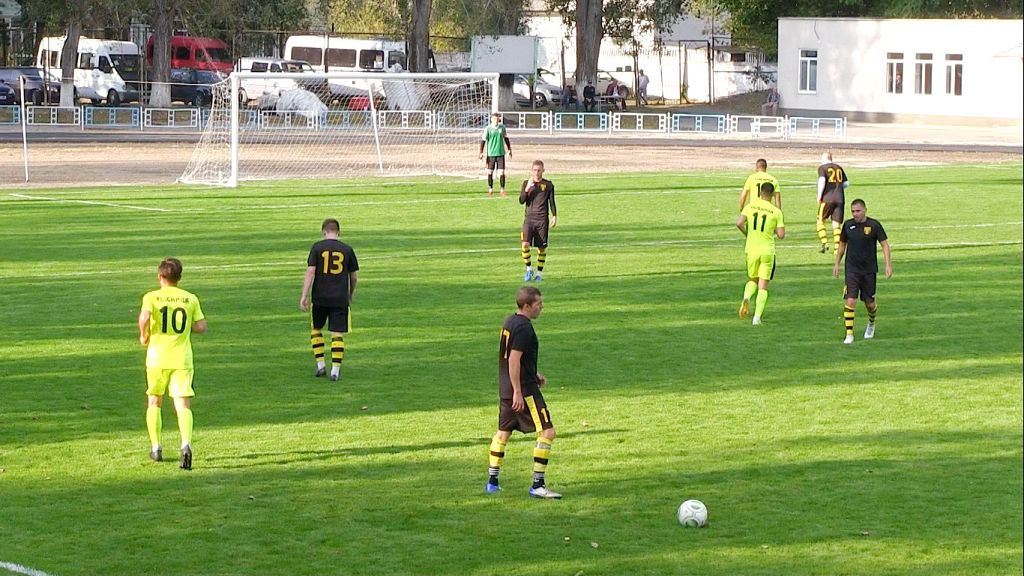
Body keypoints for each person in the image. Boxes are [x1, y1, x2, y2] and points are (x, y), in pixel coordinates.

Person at [485, 285, 561, 499]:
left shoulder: (510, 321)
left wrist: (534, 373)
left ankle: (492, 482)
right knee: (547, 432)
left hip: (506, 389)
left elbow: (513, 357)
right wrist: (518, 391)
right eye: (538, 304)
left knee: (503, 433)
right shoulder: (524, 328)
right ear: (527, 306)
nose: (542, 307)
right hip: (524, 391)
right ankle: (538, 484)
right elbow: (514, 360)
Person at [138, 257, 207, 470]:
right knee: (182, 404)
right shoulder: (189, 298)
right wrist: (186, 328)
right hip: (182, 359)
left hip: (157, 358)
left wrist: (144, 335)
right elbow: (202, 326)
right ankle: (185, 444)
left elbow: (144, 318)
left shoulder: (151, 297)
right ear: (180, 277)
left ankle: (156, 447)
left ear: (160, 276)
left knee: (154, 401)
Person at [300, 218, 359, 381]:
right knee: (337, 333)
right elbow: (354, 276)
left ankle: (320, 365)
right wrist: (350, 293)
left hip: (320, 297)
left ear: (323, 232)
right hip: (340, 298)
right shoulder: (347, 249)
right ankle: (335, 371)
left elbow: (310, 272)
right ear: (338, 232)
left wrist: (304, 295)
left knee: (316, 329)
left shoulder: (317, 248)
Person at [833, 199, 892, 345]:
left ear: (865, 210)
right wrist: (837, 264)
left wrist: (888, 265)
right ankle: (849, 334)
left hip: (869, 270)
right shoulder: (848, 225)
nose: (855, 214)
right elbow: (842, 245)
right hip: (852, 270)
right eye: (853, 211)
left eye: (858, 211)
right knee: (850, 300)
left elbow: (885, 245)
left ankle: (871, 323)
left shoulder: (874, 225)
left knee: (870, 304)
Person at [736, 182, 785, 326]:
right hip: (767, 251)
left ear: (760, 193)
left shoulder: (750, 206)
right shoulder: (776, 212)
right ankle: (756, 318)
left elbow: (739, 223)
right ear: (772, 194)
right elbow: (781, 235)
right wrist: (773, 228)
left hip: (751, 249)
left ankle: (746, 297)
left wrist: (748, 234)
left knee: (753, 279)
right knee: (763, 286)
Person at [520, 159, 557, 282]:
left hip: (542, 221)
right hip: (529, 220)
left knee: (541, 248)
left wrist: (554, 216)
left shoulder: (548, 185)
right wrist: (527, 189)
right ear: (531, 171)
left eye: (539, 170)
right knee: (525, 244)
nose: (536, 173)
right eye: (535, 170)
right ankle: (529, 269)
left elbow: (552, 202)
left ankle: (539, 274)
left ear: (543, 171)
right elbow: (521, 200)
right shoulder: (526, 183)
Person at [816, 151, 850, 254]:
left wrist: (819, 195)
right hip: (840, 199)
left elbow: (822, 181)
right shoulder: (839, 167)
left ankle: (824, 243)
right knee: (836, 224)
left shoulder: (822, 168)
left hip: (827, 198)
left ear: (824, 158)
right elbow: (846, 183)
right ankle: (836, 249)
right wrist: (837, 187)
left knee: (820, 220)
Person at [478, 112, 512, 197]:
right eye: (494, 119)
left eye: (497, 119)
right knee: (490, 172)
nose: (496, 120)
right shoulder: (488, 129)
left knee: (502, 172)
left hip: (500, 153)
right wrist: (481, 152)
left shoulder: (502, 128)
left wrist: (509, 149)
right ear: (491, 119)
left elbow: (506, 138)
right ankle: (490, 189)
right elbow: (483, 141)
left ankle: (502, 190)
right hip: (491, 154)